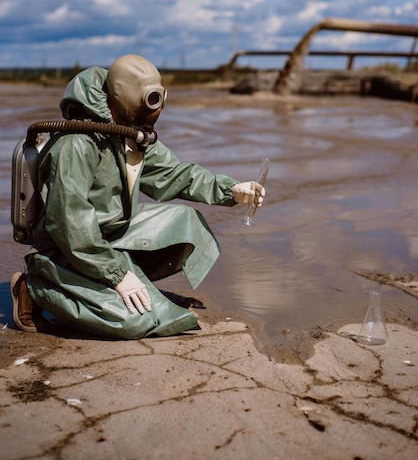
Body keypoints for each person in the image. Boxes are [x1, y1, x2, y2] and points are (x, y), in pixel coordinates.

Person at [11, 55, 265, 339]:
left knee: (187, 224)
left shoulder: (130, 133)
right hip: (69, 248)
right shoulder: (77, 143)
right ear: (121, 97)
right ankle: (36, 286)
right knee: (136, 323)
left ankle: (110, 285)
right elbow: (70, 224)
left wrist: (231, 190)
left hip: (109, 232)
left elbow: (175, 174)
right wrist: (118, 276)